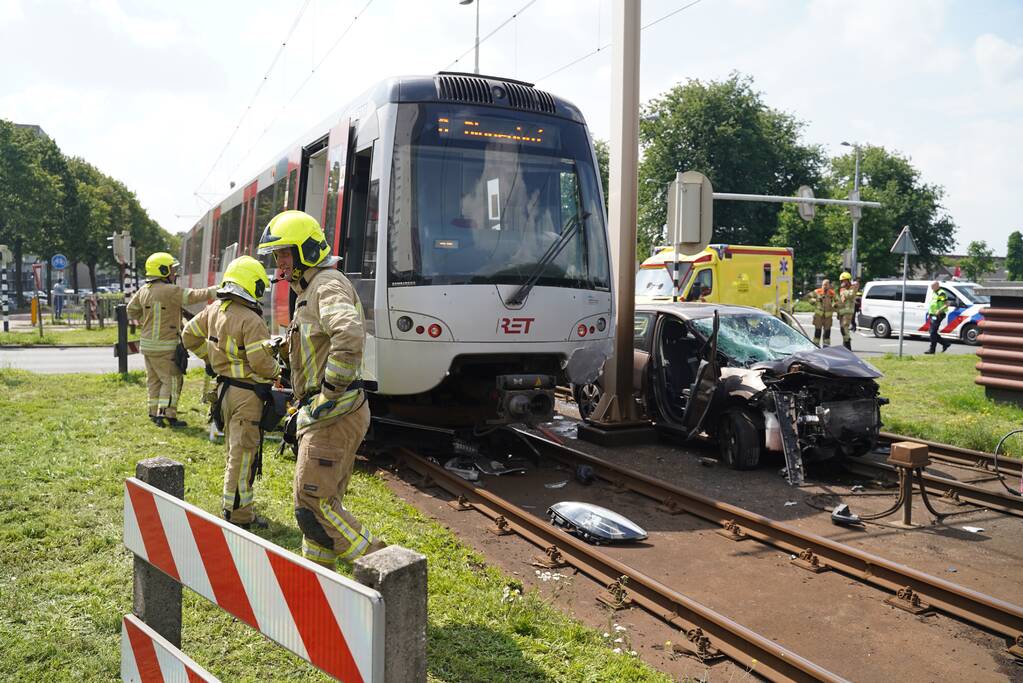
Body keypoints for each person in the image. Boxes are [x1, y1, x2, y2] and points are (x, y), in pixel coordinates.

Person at [257, 210, 386, 568]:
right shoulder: (310, 289)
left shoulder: (325, 285)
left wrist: (329, 391)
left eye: (284, 254)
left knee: (312, 507)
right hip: (326, 413)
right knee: (321, 505)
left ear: (305, 252)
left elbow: (348, 334)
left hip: (334, 412)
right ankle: (317, 586)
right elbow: (324, 340)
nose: (279, 263)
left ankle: (387, 568)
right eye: (276, 255)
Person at [182, 256, 280, 529]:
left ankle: (234, 506)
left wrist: (210, 360)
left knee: (233, 451)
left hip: (223, 391)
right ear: (252, 285)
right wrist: (278, 372)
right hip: (247, 397)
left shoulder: (215, 310)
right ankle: (237, 515)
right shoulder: (251, 320)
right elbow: (261, 363)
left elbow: (188, 335)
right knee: (244, 454)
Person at [127, 252, 216, 427]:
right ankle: (166, 415)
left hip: (147, 345)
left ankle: (153, 412)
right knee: (172, 380)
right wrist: (216, 290)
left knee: (154, 380)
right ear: (163, 271)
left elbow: (131, 310)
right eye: (172, 269)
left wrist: (146, 319)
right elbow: (193, 296)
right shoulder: (169, 290)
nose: (174, 273)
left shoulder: (144, 290)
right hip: (165, 346)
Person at [924, 281, 952, 354]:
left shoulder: (941, 293)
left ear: (937, 286)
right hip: (932, 314)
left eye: (932, 286)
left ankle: (932, 350)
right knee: (932, 332)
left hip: (938, 315)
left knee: (933, 332)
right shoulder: (934, 292)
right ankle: (945, 343)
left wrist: (939, 310)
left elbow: (947, 304)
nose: (931, 288)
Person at [810, 278, 836, 347]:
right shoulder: (817, 291)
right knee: (817, 332)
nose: (824, 286)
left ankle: (826, 347)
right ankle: (816, 346)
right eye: (823, 285)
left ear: (829, 286)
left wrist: (835, 305)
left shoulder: (832, 293)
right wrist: (816, 300)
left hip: (828, 317)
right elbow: (809, 298)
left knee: (827, 333)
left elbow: (837, 301)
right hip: (818, 316)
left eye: (826, 285)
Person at [836, 272, 856, 351]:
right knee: (842, 329)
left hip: (848, 312)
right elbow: (841, 301)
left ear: (848, 281)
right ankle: (845, 344)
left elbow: (850, 295)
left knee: (844, 328)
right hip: (842, 312)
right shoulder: (841, 289)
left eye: (844, 280)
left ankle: (847, 346)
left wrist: (843, 290)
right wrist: (838, 312)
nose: (842, 282)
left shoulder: (853, 287)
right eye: (841, 281)